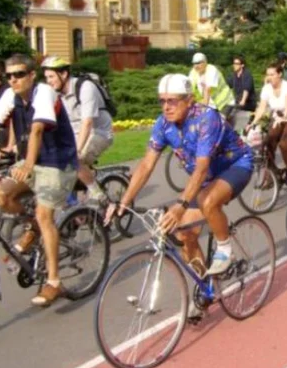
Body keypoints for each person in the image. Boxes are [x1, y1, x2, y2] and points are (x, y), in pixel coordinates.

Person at [107, 74, 253, 285]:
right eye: (162, 101)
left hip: (235, 165)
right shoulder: (163, 125)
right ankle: (206, 287)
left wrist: (180, 205)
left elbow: (201, 168)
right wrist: (124, 202)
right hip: (205, 178)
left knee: (206, 201)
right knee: (185, 234)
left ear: (189, 99)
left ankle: (224, 248)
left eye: (172, 101)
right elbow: (147, 165)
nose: (166, 107)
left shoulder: (206, 118)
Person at [0, 53, 78, 306]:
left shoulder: (43, 93)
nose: (14, 80)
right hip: (31, 161)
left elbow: (36, 130)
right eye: (10, 75)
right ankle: (33, 227)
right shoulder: (10, 96)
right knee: (0, 196)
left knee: (45, 216)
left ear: (32, 75)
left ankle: (54, 282)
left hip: (57, 162)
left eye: (20, 74)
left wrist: (28, 165)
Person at [41, 56, 113, 202]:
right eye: (46, 77)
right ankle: (74, 208)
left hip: (98, 132)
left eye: (51, 76)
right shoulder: (56, 93)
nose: (48, 81)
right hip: (75, 134)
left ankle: (98, 195)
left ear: (64, 74)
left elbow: (87, 123)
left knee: (73, 159)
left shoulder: (85, 88)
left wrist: (77, 151)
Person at [248, 63, 287, 180]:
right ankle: (273, 174)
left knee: (284, 143)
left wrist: (284, 116)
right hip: (278, 119)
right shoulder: (266, 88)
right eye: (267, 74)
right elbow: (262, 108)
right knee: (267, 142)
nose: (269, 77)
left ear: (279, 74)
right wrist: (253, 123)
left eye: (272, 74)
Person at [188, 52, 235, 120]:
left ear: (205, 62)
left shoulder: (211, 70)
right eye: (194, 63)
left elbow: (207, 90)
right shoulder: (193, 72)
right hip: (211, 104)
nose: (196, 66)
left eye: (199, 63)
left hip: (225, 103)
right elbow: (189, 91)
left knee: (219, 123)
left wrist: (203, 111)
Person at [230, 55, 256, 133]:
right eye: (234, 63)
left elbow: (246, 89)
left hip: (248, 102)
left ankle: (241, 131)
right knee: (228, 111)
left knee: (238, 113)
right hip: (238, 101)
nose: (234, 65)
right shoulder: (234, 75)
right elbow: (227, 84)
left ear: (242, 65)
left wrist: (243, 100)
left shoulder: (247, 74)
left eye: (237, 63)